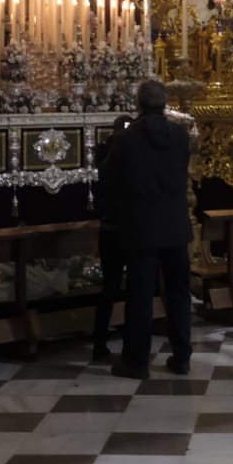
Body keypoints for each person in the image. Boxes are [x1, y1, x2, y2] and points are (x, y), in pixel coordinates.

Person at [99, 79, 193, 380]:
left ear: (138, 104)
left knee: (140, 295)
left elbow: (109, 179)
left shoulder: (125, 140)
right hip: (176, 226)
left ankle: (136, 362)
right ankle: (182, 357)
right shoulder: (181, 137)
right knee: (178, 293)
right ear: (164, 104)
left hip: (141, 227)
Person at [91, 114, 134, 363]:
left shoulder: (105, 156)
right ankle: (128, 340)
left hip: (109, 228)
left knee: (110, 287)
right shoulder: (125, 157)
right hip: (126, 228)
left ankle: (100, 343)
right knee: (129, 287)